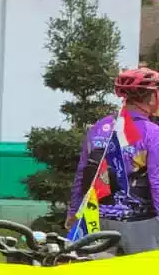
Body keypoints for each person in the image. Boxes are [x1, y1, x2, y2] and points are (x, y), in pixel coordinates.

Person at [68, 67, 159, 252]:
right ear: (151, 97)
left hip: (97, 222)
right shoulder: (153, 134)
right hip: (139, 224)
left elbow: (83, 173)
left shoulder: (99, 127)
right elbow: (157, 182)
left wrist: (73, 213)